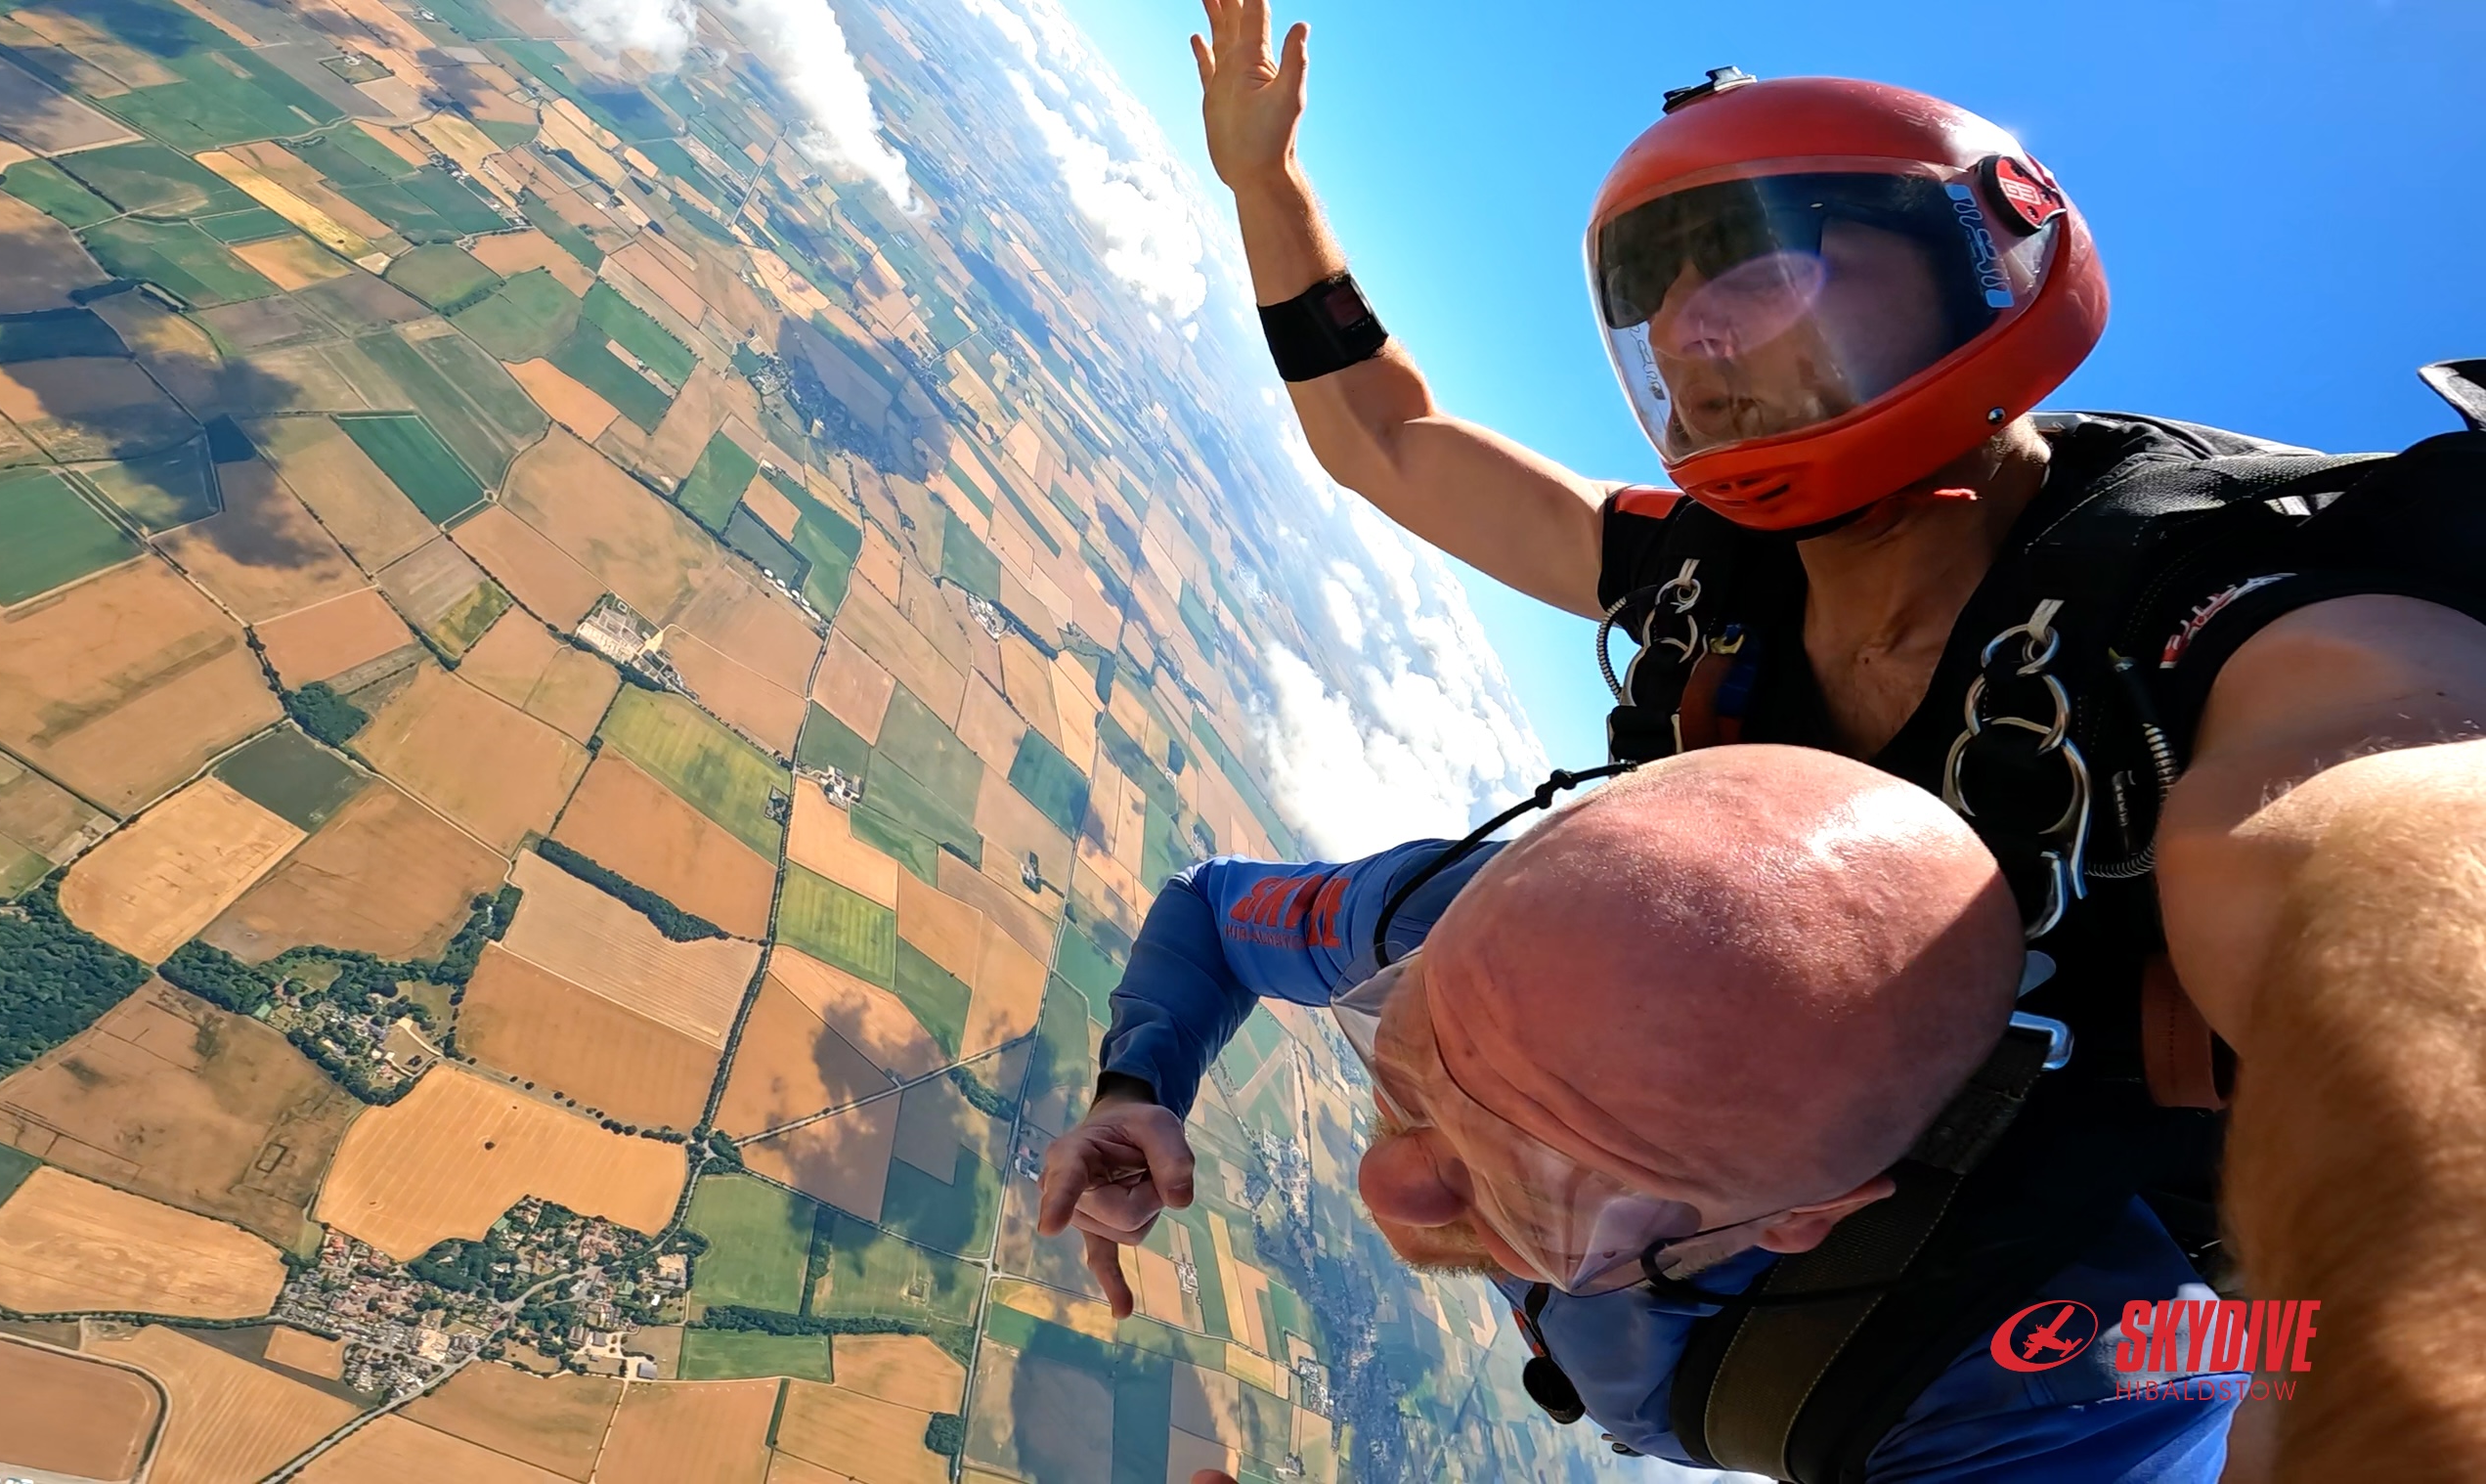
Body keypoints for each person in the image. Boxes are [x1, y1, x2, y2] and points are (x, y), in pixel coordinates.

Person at [1133, 3, 2486, 1479]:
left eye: (1758, 259)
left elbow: (2391, 831)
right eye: (1651, 285)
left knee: (2266, 1371)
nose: (1685, 328)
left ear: (1980, 274)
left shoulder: (2207, 610)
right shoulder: (1713, 579)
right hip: (1708, 1264)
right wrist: (1264, 185)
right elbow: (1388, 441)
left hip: (2028, 1317)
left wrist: (2429, 1296)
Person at [1042, 747, 2251, 1480]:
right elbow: (1212, 914)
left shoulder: (2077, 1386)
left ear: (1801, 1218)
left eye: (1540, 1189)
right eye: (1402, 1053)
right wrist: (1138, 1086)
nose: (1386, 1185)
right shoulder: (1478, 940)